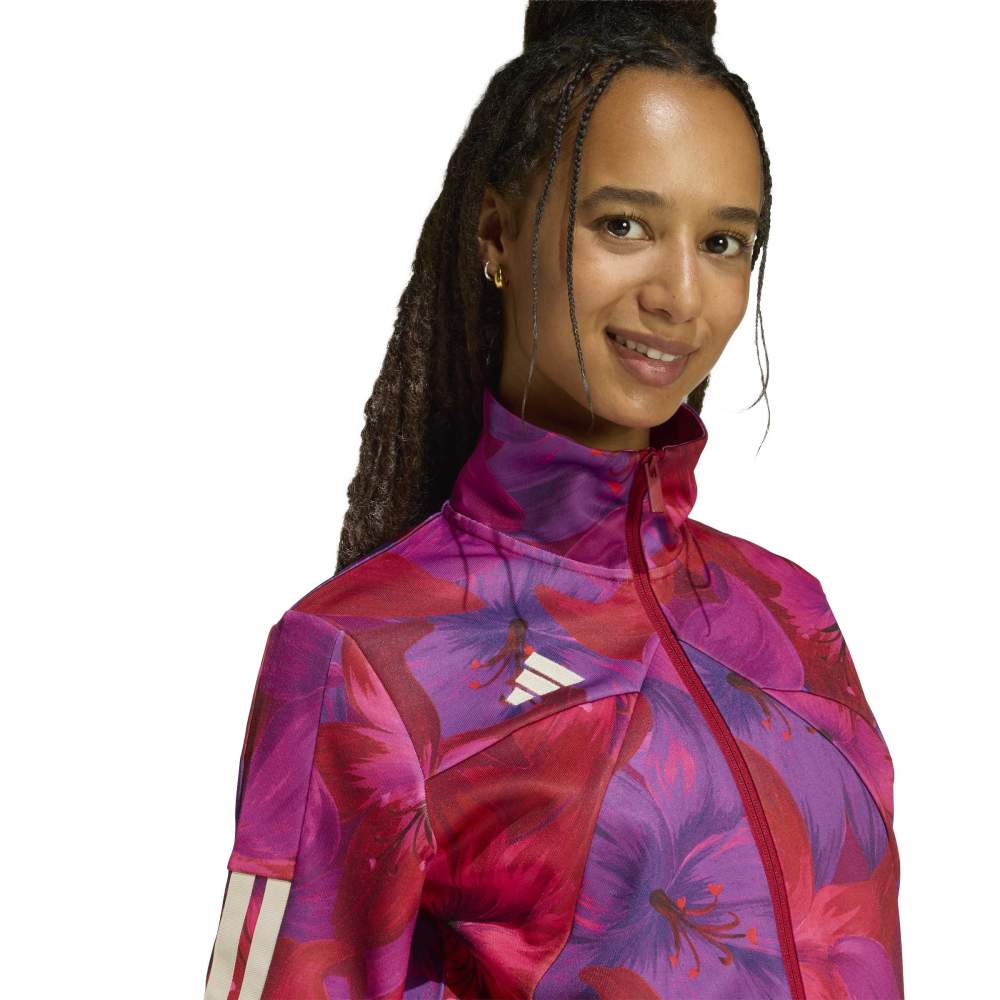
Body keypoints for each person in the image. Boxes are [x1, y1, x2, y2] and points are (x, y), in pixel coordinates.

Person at [204, 3, 903, 998]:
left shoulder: (788, 613)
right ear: (497, 232)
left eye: (723, 241)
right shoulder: (359, 657)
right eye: (622, 224)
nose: (679, 295)